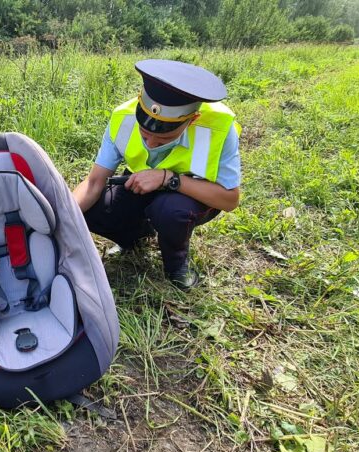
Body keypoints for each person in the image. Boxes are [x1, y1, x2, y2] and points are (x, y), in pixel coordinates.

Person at [71, 60, 242, 291]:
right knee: (91, 208)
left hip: (191, 196)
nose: (150, 143)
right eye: (144, 133)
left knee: (172, 211)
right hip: (138, 185)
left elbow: (230, 200)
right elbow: (94, 183)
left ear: (192, 120)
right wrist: (63, 217)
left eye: (163, 139)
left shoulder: (218, 128)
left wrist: (168, 178)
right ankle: (135, 238)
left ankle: (177, 265)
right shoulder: (123, 117)